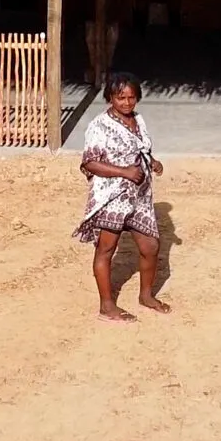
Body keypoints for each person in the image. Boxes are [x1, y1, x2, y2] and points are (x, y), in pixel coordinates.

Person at [73, 75, 169, 322]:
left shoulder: (138, 120)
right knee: (106, 249)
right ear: (110, 98)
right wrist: (124, 172)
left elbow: (143, 149)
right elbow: (90, 162)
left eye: (131, 97)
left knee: (150, 247)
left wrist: (153, 162)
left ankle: (146, 296)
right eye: (121, 98)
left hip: (139, 196)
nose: (127, 103)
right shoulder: (99, 126)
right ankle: (106, 306)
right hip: (111, 196)